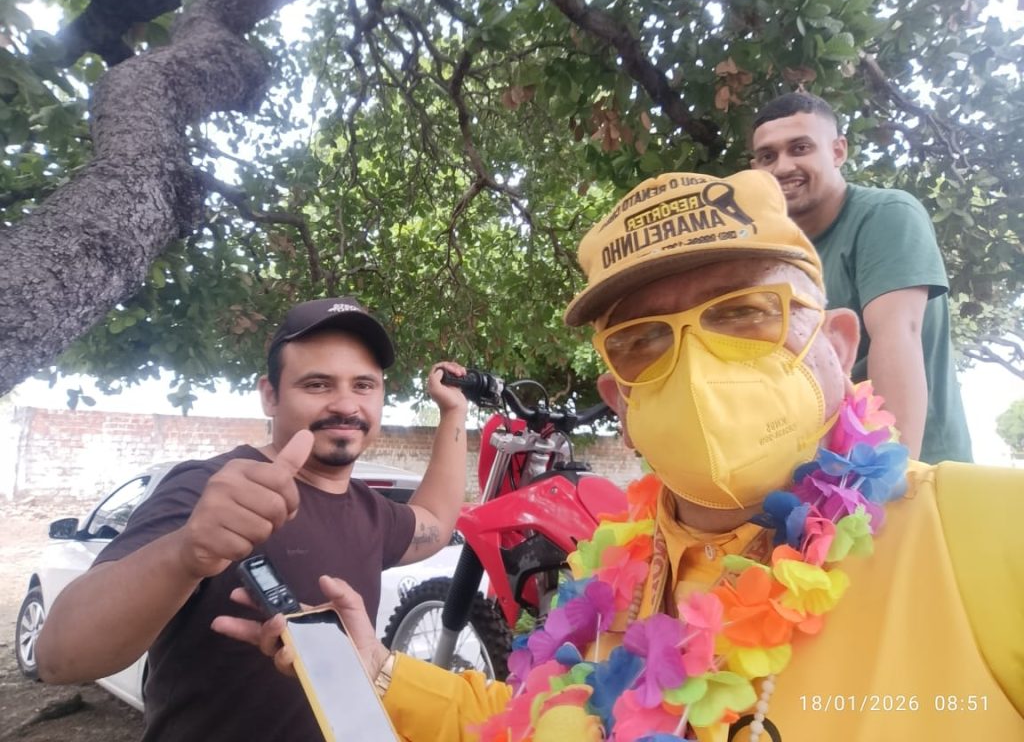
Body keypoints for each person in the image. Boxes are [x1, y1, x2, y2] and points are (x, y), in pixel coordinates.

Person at [217, 171, 1023, 741]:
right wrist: (378, 670)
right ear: (621, 403)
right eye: (644, 340)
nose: (697, 366)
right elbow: (531, 725)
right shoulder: (615, 585)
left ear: (838, 345)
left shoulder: (979, 532)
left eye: (746, 311)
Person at [35, 296, 470, 742]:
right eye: (317, 384)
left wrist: (454, 411)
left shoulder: (370, 510)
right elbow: (60, 656)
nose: (345, 404)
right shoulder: (209, 488)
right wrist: (186, 552)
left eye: (363, 385)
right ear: (270, 395)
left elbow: (434, 521)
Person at [749, 92, 971, 464]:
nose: (783, 167)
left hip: (914, 468)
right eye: (768, 156)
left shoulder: (886, 214)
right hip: (817, 477)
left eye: (800, 148)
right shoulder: (768, 254)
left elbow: (898, 334)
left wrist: (893, 476)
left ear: (838, 151)